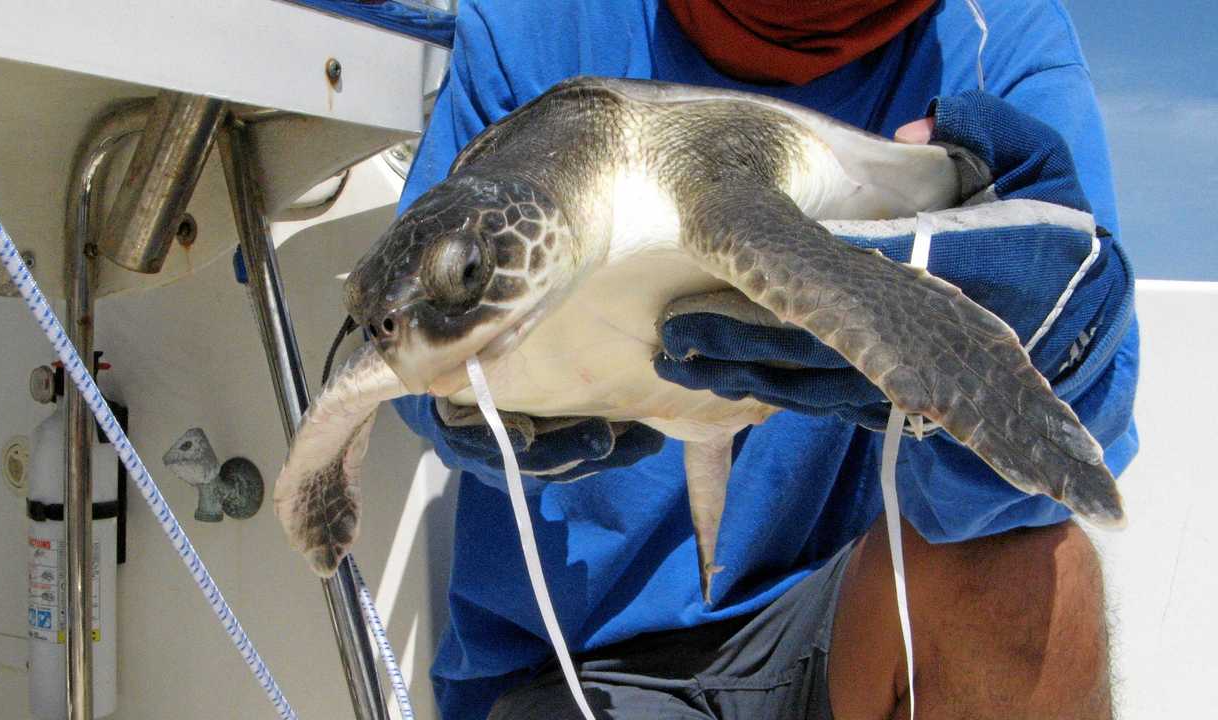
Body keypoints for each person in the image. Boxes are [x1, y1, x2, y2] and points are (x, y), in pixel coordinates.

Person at [390, 1, 1139, 718]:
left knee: (1032, 582)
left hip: (839, 620)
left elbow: (1068, 453)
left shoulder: (995, 38)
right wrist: (463, 407)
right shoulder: (541, 21)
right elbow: (401, 330)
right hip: (572, 660)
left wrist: (1060, 343)